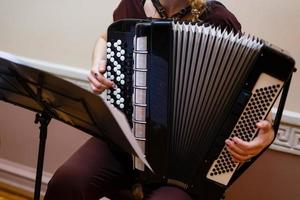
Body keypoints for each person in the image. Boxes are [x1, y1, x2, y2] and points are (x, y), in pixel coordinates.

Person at [44, 0, 275, 199]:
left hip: (184, 163)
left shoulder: (219, 19)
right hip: (126, 136)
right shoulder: (133, 4)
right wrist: (98, 64)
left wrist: (267, 134)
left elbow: (246, 87)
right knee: (67, 182)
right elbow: (105, 37)